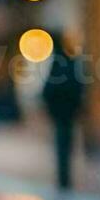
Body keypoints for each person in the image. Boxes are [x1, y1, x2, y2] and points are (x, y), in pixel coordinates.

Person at [41, 31, 85, 189]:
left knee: (62, 143)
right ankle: (65, 176)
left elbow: (47, 89)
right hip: (69, 110)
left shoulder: (56, 65)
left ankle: (63, 176)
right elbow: (78, 86)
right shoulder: (71, 63)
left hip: (60, 111)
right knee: (67, 141)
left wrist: (49, 106)